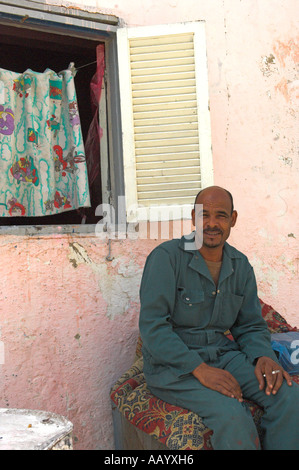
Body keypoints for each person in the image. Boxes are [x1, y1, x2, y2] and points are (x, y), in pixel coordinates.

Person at [139, 186, 299, 450]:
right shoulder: (166, 257)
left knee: (289, 396)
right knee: (232, 414)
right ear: (193, 217)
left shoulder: (240, 265)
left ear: (233, 219)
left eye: (221, 216)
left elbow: (249, 325)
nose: (212, 224)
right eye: (204, 215)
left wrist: (262, 356)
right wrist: (199, 369)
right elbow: (153, 328)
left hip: (223, 354)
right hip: (173, 366)